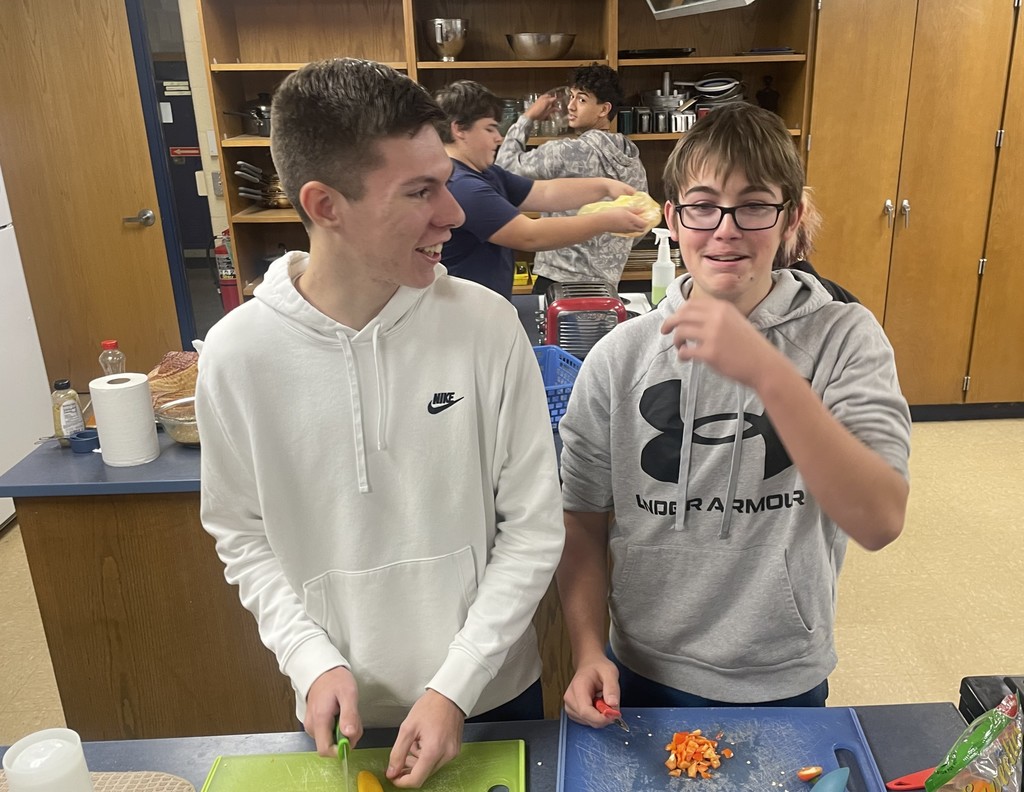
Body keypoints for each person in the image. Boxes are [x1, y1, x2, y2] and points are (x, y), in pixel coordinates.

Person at [194, 58, 565, 788]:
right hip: (342, 707)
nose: (454, 215)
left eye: (446, 183)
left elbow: (533, 525)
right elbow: (241, 533)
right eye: (419, 192)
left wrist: (456, 682)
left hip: (488, 694)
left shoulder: (487, 326)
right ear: (325, 205)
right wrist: (308, 658)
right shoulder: (237, 355)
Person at [554, 102, 912, 725]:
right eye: (702, 206)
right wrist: (587, 649)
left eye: (753, 205)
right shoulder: (620, 356)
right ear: (673, 219)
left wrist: (769, 374)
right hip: (642, 665)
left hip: (781, 672)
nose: (725, 230)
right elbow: (581, 518)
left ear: (791, 217)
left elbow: (879, 520)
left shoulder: (844, 338)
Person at [434, 80, 650, 299]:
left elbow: (545, 192)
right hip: (466, 310)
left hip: (489, 305)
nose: (498, 138)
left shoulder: (488, 174)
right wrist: (606, 221)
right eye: (489, 129)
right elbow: (529, 236)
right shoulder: (462, 186)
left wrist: (604, 186)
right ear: (459, 129)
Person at [495, 64, 649, 294]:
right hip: (606, 286)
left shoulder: (567, 151)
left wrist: (528, 118)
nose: (571, 105)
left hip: (557, 281)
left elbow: (504, 171)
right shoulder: (632, 159)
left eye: (582, 99)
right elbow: (640, 225)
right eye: (572, 96)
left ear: (604, 109)